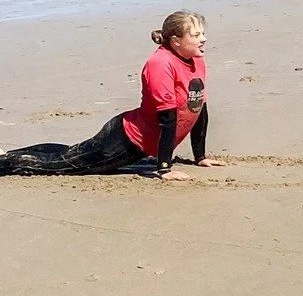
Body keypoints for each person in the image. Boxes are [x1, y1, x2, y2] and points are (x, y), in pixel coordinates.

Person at [0, 12, 219, 180]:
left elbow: (198, 107)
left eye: (203, 33)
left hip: (142, 141)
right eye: (196, 35)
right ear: (175, 41)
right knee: (59, 166)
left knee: (69, 153)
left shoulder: (196, 59)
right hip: (126, 141)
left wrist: (200, 157)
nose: (204, 39)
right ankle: (4, 161)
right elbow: (168, 119)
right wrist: (164, 169)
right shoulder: (160, 64)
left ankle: (7, 153)